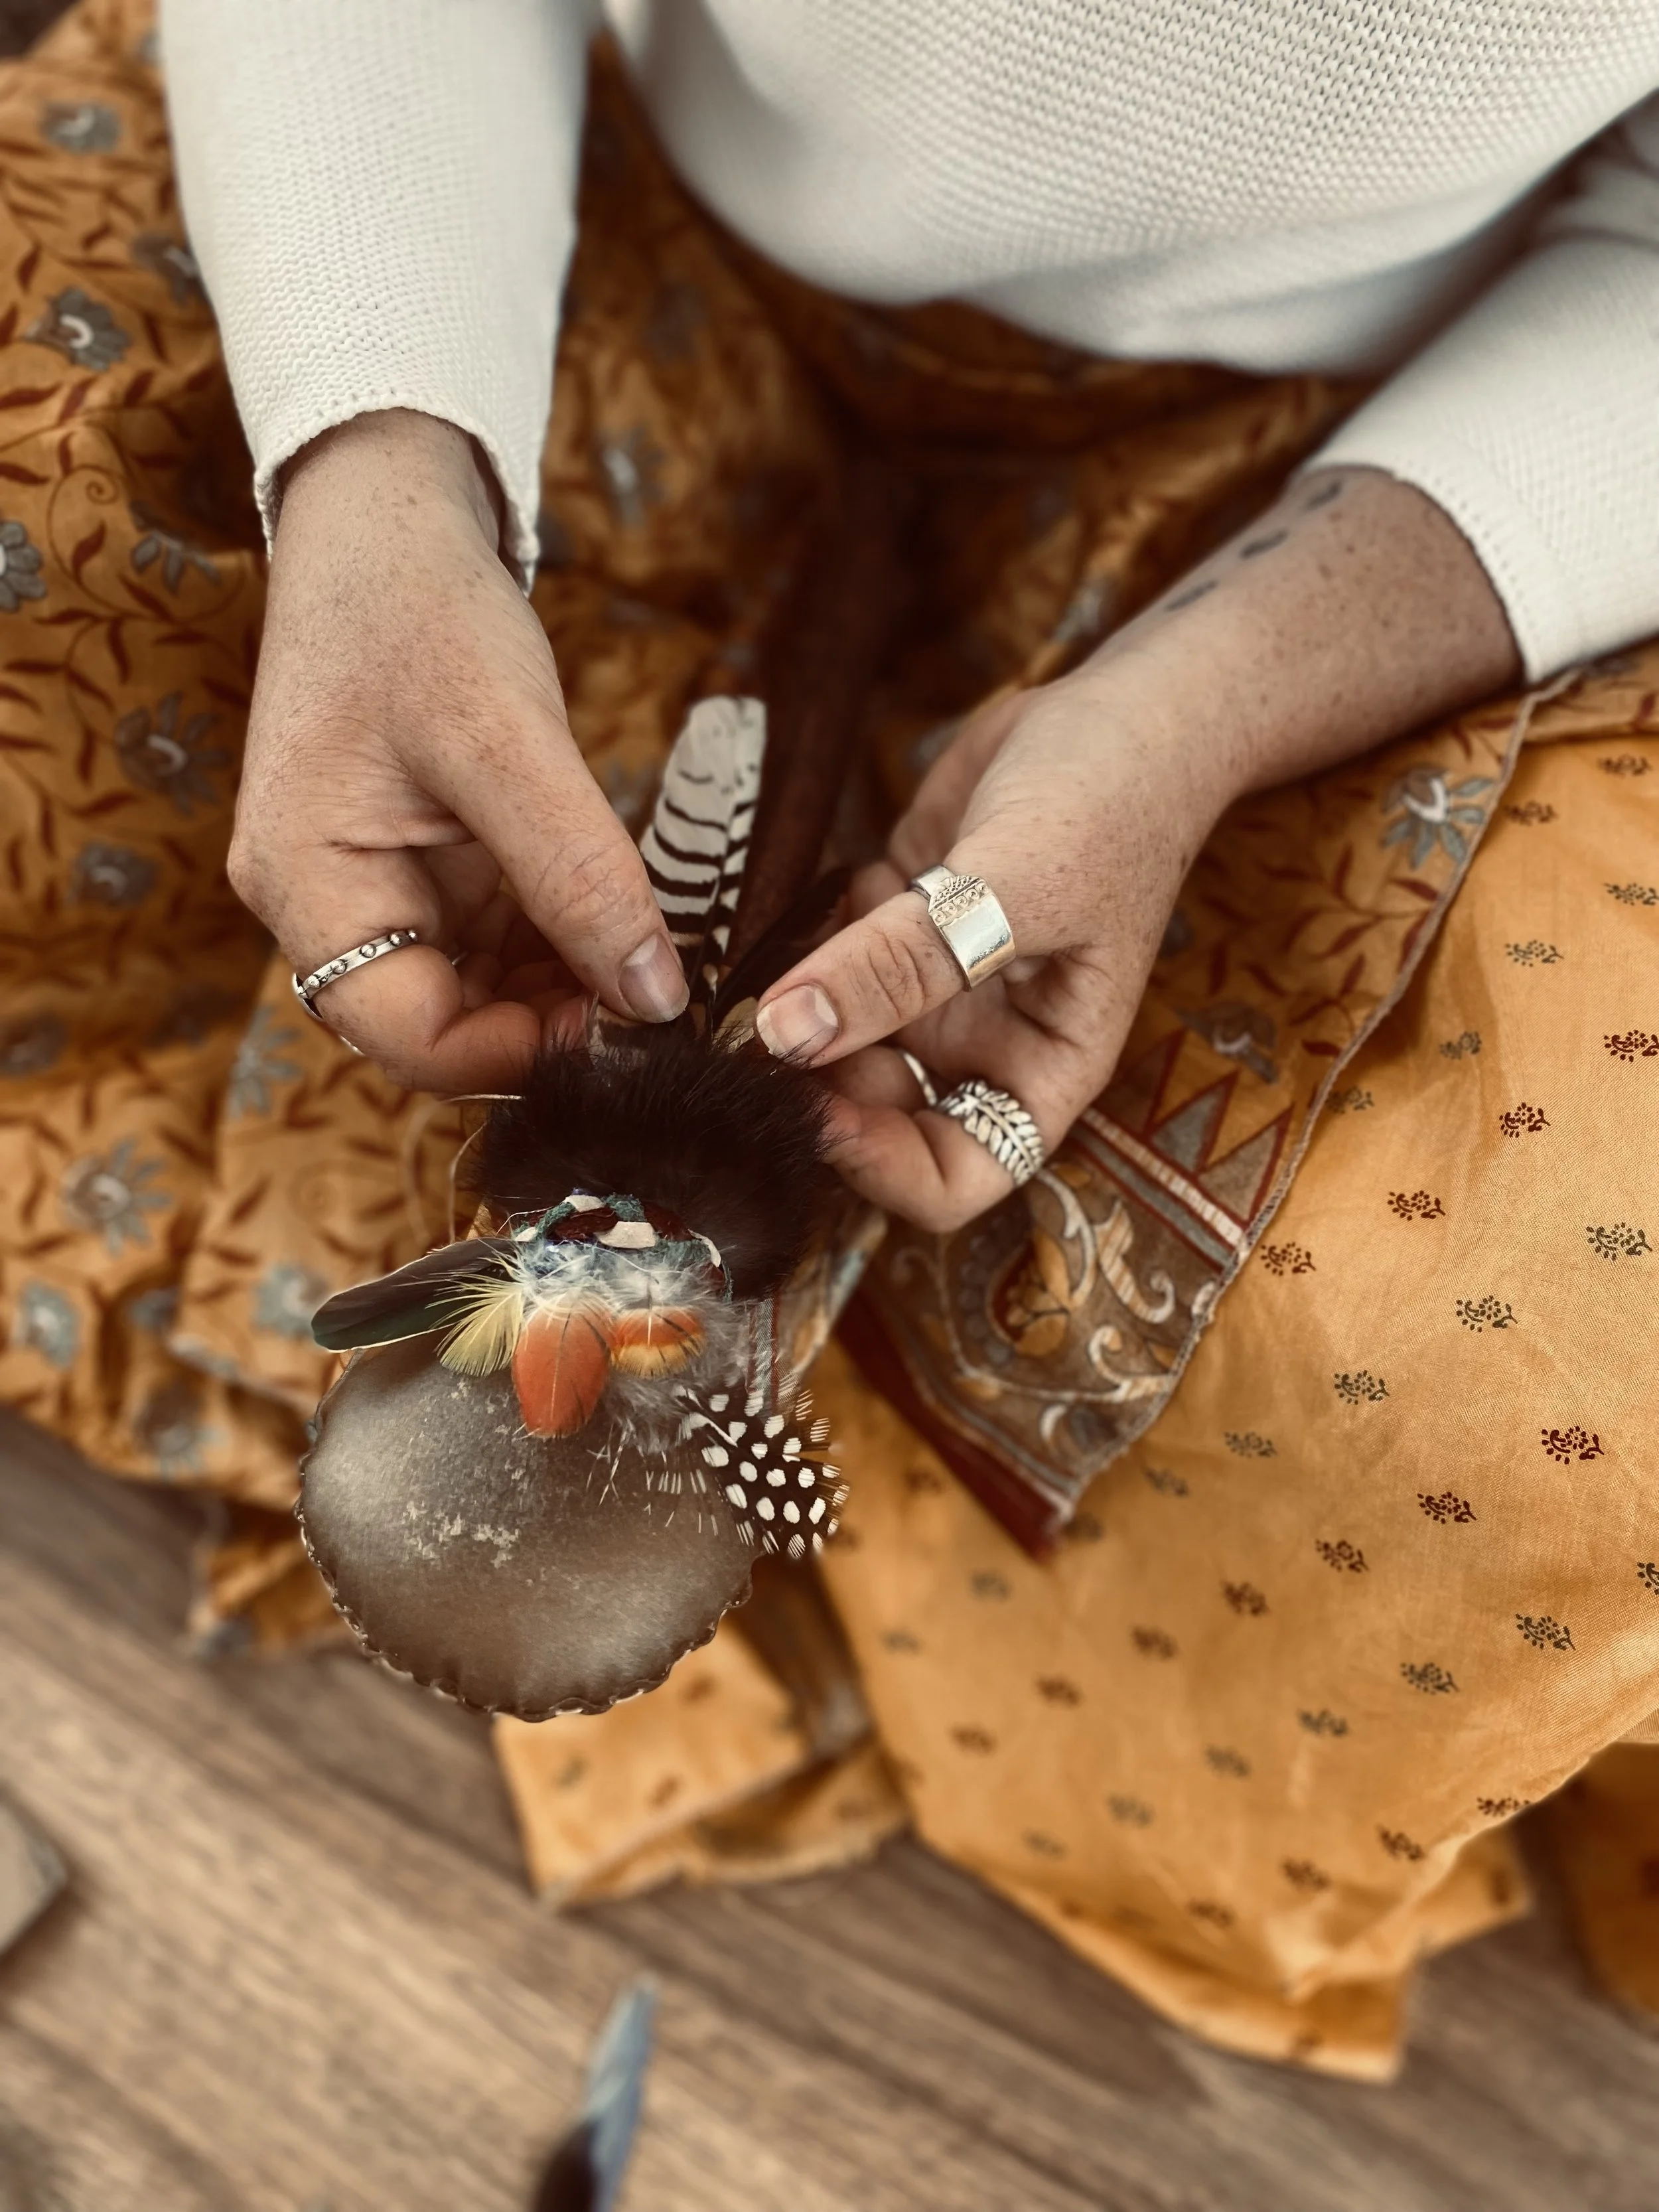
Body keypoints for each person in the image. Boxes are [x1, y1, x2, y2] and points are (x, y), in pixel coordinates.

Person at [2, 0, 1658, 2075]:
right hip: (564, 208)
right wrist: (377, 462)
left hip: (1390, 482)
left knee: (1572, 1326)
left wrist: (1203, 711)